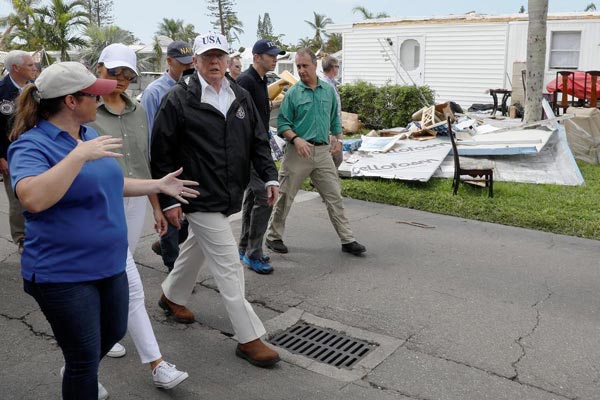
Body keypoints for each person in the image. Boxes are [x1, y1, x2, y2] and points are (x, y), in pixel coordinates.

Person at [7, 61, 198, 400]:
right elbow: (33, 198)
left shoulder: (88, 135)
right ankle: (79, 373)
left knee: (111, 332)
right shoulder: (31, 145)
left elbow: (111, 181)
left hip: (109, 264)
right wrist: (78, 156)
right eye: (93, 96)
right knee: (83, 358)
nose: (99, 101)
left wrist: (158, 185)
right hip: (63, 273)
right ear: (70, 101)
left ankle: (78, 369)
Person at [151, 32, 281, 368]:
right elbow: (161, 153)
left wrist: (268, 174)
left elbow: (257, 140)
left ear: (227, 59)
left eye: (219, 56)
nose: (214, 62)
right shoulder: (178, 99)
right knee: (228, 266)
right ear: (194, 61)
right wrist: (170, 200)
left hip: (227, 194)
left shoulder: (239, 95)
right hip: (196, 193)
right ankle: (249, 338)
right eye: (207, 56)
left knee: (196, 247)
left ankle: (171, 295)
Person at [88, 43, 189, 389]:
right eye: (113, 72)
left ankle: (90, 354)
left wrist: (156, 207)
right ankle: (157, 364)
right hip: (101, 207)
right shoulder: (87, 109)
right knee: (129, 286)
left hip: (133, 203)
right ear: (99, 68)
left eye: (127, 74)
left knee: (117, 273)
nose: (120, 80)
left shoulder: (138, 110)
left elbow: (142, 163)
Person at [265, 48, 366, 256]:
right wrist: (296, 139)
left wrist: (338, 138)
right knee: (285, 197)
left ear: (315, 65)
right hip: (297, 153)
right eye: (298, 66)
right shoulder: (293, 93)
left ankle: (347, 239)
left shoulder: (328, 91)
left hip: (322, 153)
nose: (301, 70)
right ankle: (273, 236)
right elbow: (283, 124)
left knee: (334, 196)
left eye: (305, 66)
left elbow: (334, 118)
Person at [142, 40, 194, 272]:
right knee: (172, 218)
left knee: (187, 219)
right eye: (181, 64)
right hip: (165, 165)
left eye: (189, 63)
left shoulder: (194, 87)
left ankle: (165, 245)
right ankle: (174, 269)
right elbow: (151, 134)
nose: (186, 68)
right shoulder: (154, 92)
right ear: (169, 61)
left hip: (188, 164)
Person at [237, 39, 285, 275]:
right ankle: (252, 253)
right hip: (252, 150)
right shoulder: (245, 81)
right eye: (270, 55)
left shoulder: (261, 79)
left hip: (259, 146)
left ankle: (245, 246)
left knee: (252, 199)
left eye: (276, 54)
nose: (275, 58)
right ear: (257, 57)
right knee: (265, 197)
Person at [0, 50, 36, 253]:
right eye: (30, 65)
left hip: (36, 151)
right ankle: (22, 238)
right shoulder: (1, 91)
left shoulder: (35, 90)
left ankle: (38, 232)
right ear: (16, 68)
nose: (34, 68)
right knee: (17, 198)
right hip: (10, 155)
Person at [321, 55, 343, 168]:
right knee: (335, 157)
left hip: (334, 128)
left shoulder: (332, 83)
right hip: (330, 130)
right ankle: (322, 182)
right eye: (338, 66)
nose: (338, 69)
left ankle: (322, 181)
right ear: (333, 67)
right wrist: (331, 133)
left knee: (336, 157)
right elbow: (327, 110)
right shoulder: (326, 85)